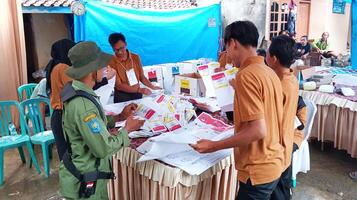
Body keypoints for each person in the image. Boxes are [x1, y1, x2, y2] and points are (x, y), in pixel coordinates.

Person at [190, 21, 284, 199]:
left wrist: (213, 146)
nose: (227, 55)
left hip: (257, 170)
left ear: (233, 43)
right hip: (273, 161)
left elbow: (258, 130)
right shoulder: (269, 72)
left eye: (226, 48)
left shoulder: (246, 75)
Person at [59, 41, 144, 199]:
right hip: (86, 180)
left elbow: (89, 125)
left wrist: (119, 117)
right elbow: (103, 148)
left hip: (83, 173)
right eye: (101, 66)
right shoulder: (84, 106)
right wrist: (127, 129)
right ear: (91, 71)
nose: (104, 69)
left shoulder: (78, 90)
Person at [266, 35, 299, 199]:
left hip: (277, 148)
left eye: (266, 54)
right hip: (285, 145)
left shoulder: (280, 85)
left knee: (278, 193)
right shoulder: (291, 78)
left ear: (274, 59)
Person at [108, 33, 161, 103]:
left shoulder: (135, 57)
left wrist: (152, 86)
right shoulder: (111, 62)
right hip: (122, 96)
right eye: (116, 50)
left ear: (126, 44)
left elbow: (141, 77)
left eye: (122, 48)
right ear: (112, 48)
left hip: (137, 94)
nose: (120, 52)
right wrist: (140, 90)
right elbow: (119, 85)